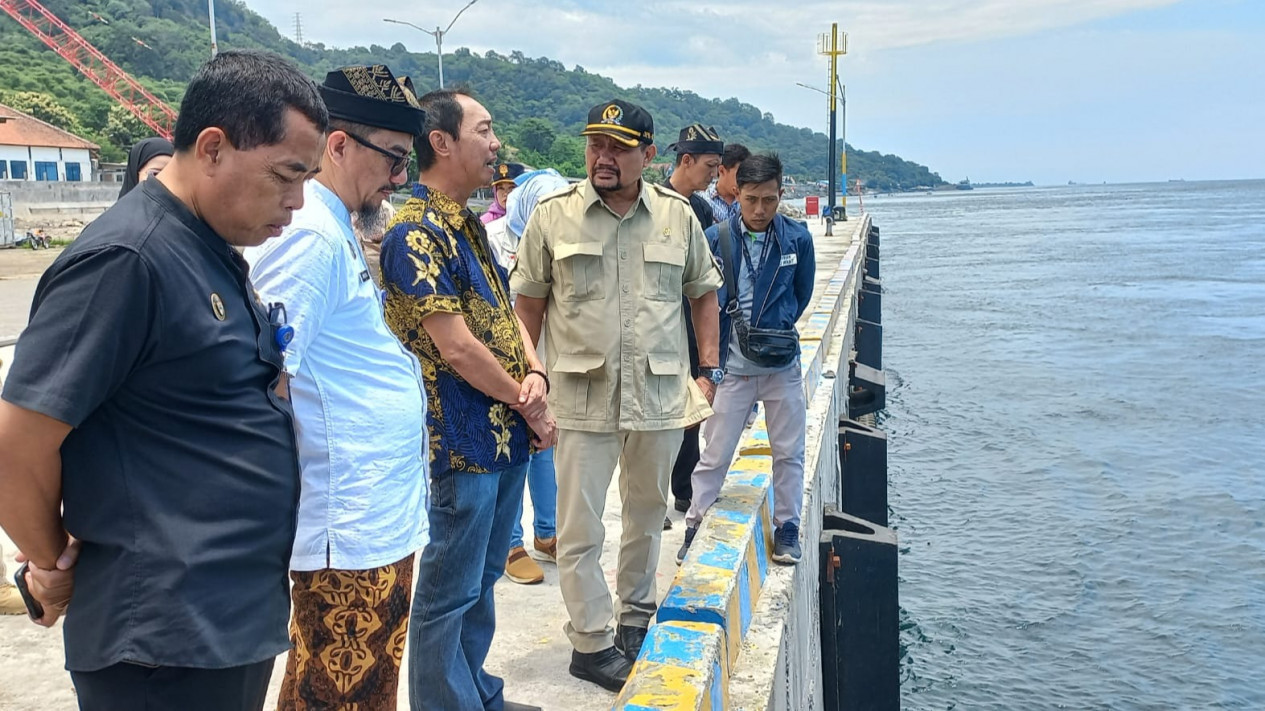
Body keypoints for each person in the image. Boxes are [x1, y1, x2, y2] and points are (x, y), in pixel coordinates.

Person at [0, 49, 326, 710]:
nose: (296, 202)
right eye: (286, 176)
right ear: (211, 147)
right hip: (163, 635)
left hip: (221, 616)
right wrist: (49, 561)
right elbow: (16, 443)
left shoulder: (208, 244)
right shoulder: (128, 260)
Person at [512, 99, 723, 691]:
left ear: (648, 155)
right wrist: (532, 379)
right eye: (595, 145)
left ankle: (634, 619)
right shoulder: (554, 217)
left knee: (648, 515)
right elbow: (524, 311)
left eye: (618, 147)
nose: (603, 157)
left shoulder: (678, 216)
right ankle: (590, 641)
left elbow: (703, 292)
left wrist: (708, 368)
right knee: (579, 529)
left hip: (657, 395)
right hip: (581, 398)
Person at [242, 64, 428, 711]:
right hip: (344, 519)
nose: (399, 177)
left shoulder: (331, 225)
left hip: (368, 510)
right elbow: (264, 377)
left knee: (352, 686)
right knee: (339, 693)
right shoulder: (308, 236)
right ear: (338, 144)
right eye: (393, 157)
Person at [380, 88, 552, 711]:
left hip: (503, 434)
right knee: (446, 591)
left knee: (481, 581)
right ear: (442, 142)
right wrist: (526, 399)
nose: (496, 142)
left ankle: (478, 692)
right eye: (484, 129)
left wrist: (537, 376)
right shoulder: (414, 232)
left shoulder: (471, 228)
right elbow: (455, 347)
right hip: (457, 438)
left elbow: (506, 317)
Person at [677, 154, 816, 567]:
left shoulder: (798, 239)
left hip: (782, 367)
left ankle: (787, 528)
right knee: (715, 452)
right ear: (737, 193)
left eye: (769, 200)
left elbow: (802, 293)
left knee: (789, 451)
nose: (759, 210)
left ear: (780, 194)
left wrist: (778, 325)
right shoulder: (715, 237)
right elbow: (698, 298)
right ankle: (696, 522)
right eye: (751, 199)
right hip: (733, 370)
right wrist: (712, 364)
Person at [485, 168, 570, 586]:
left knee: (546, 445)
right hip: (507, 358)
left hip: (547, 356)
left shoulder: (566, 237)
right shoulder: (495, 238)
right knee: (517, 446)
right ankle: (510, 542)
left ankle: (548, 532)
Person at [663, 123, 724, 520]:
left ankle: (685, 491)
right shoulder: (654, 203)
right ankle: (658, 494)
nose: (714, 176)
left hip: (692, 321)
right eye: (709, 166)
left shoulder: (701, 209)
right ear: (686, 161)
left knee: (692, 410)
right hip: (663, 321)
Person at [702, 142, 751, 223]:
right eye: (739, 174)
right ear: (721, 170)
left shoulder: (748, 203)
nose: (743, 180)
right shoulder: (703, 200)